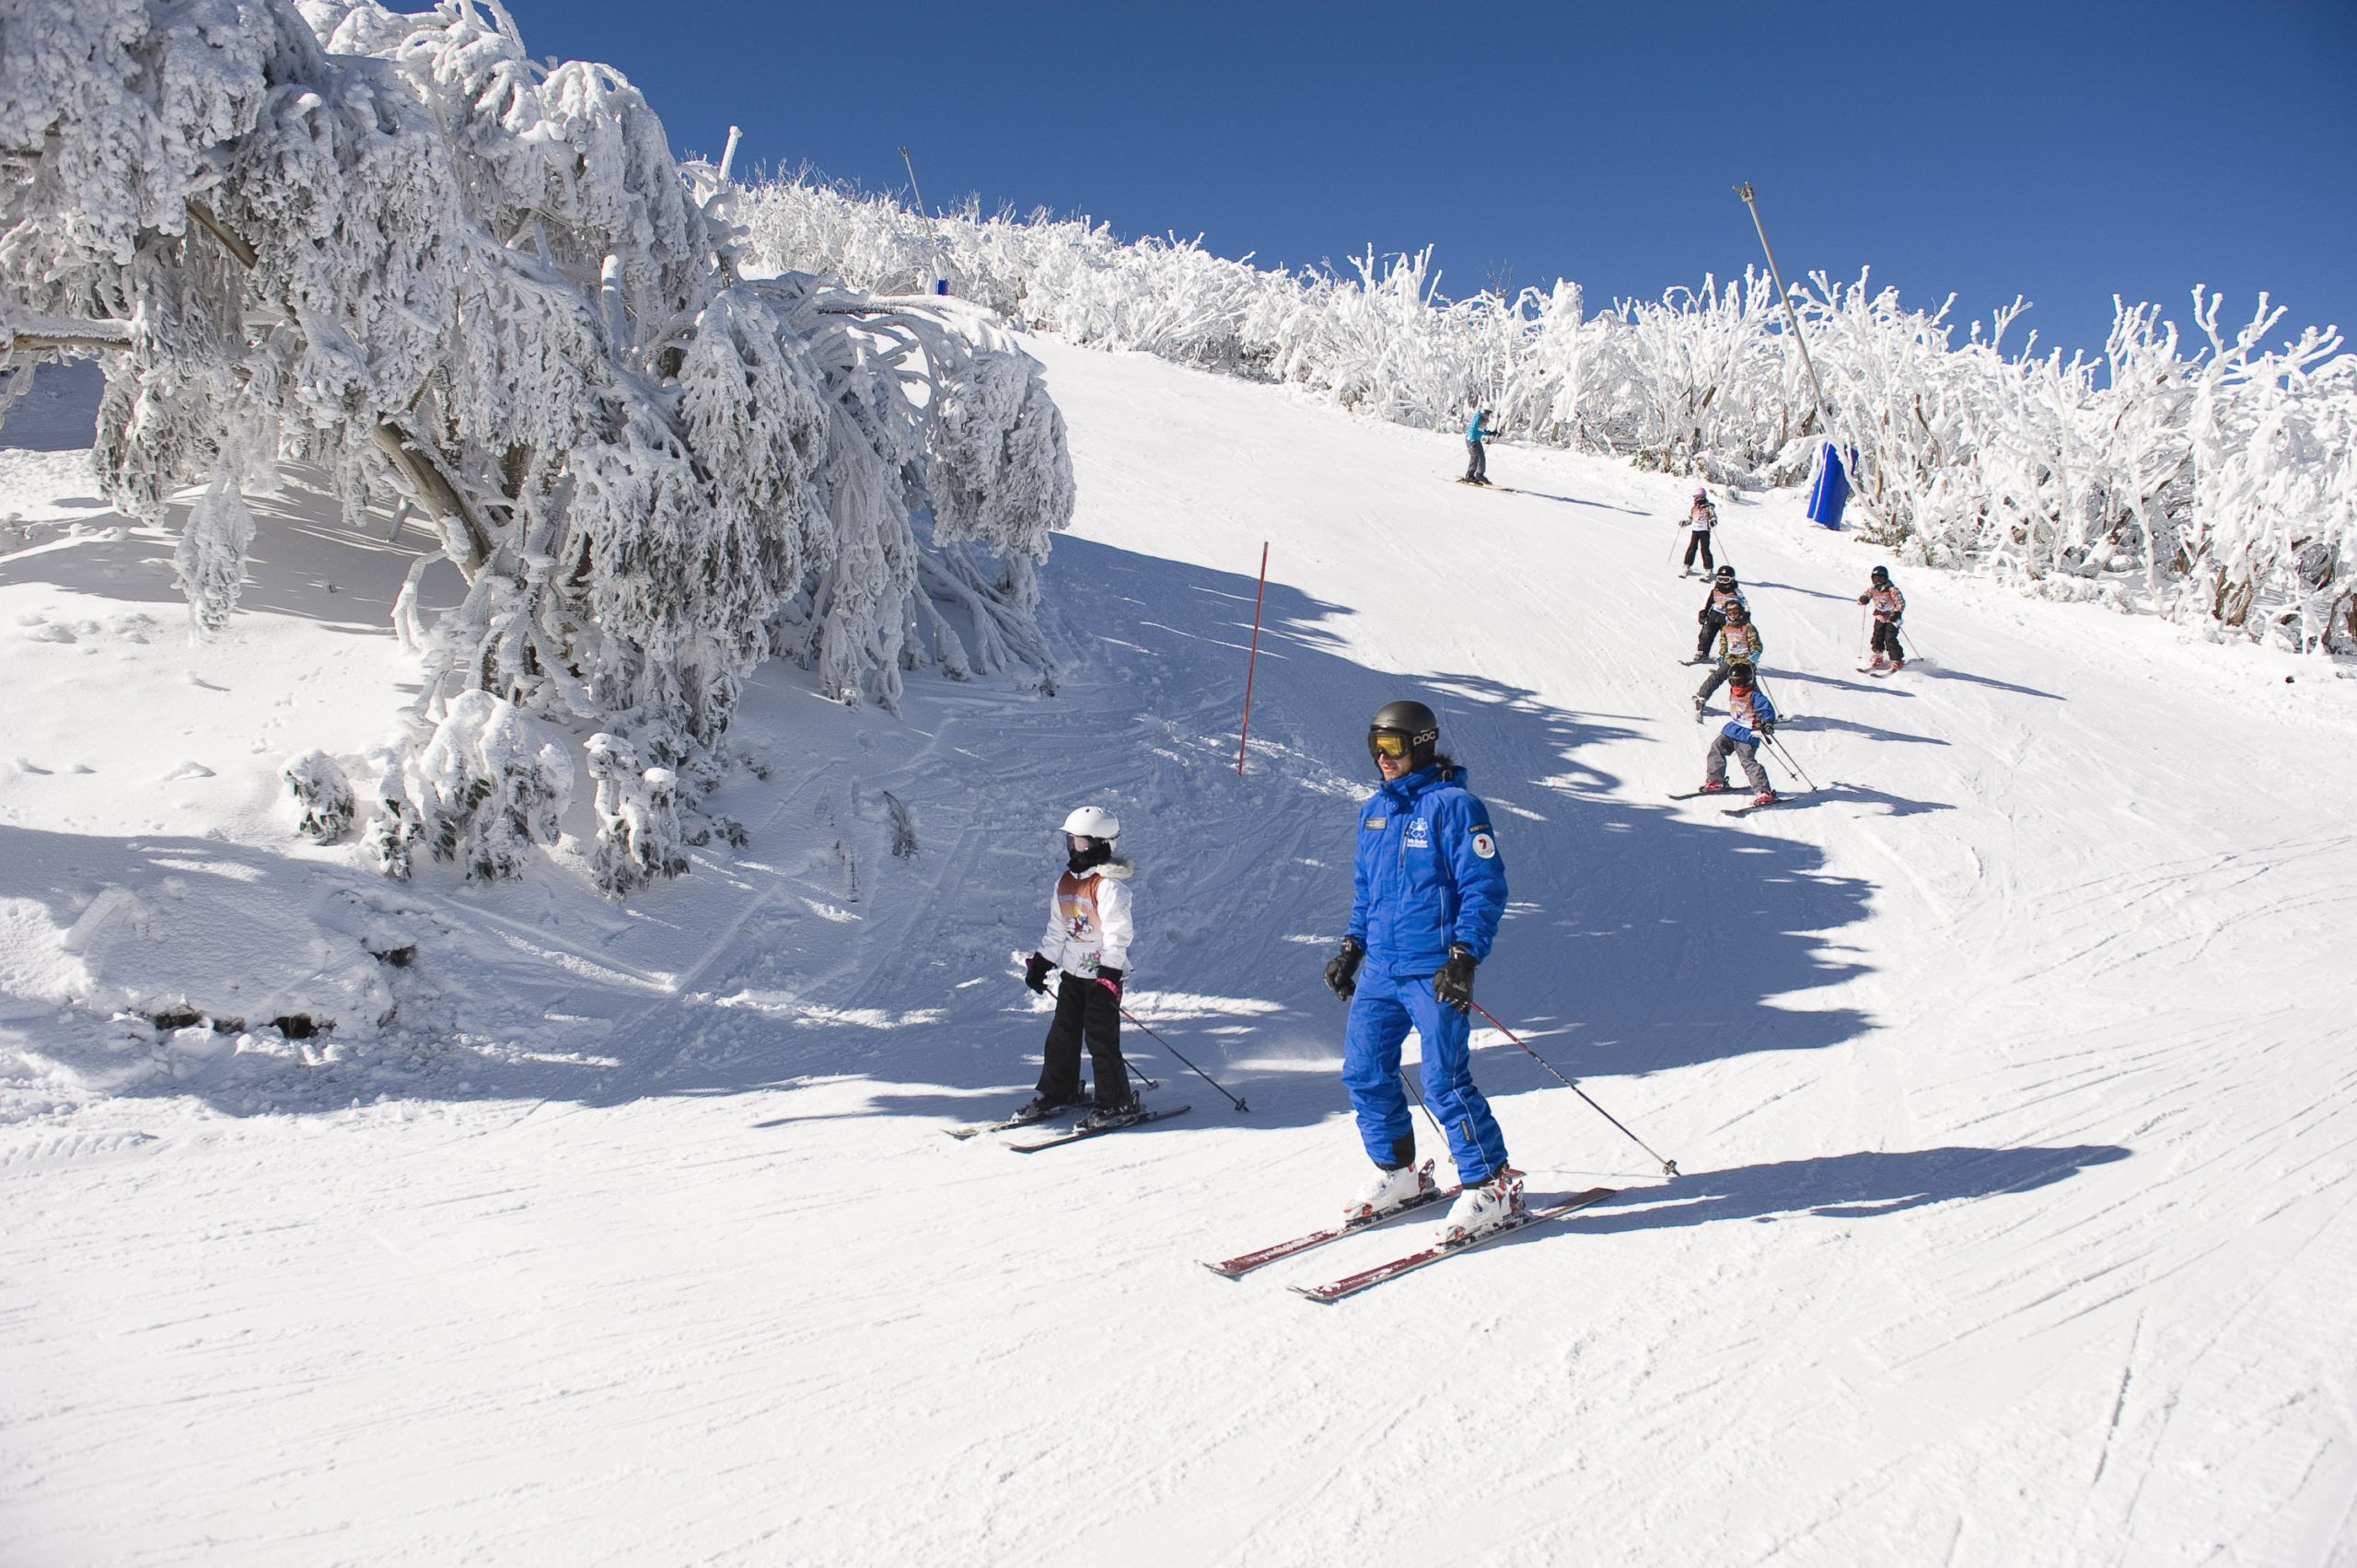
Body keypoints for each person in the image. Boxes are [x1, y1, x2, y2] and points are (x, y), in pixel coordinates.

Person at [1320, 700, 1520, 1244]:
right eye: (1374, 747)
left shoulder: (1456, 806)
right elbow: (1368, 890)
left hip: (1434, 970)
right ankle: (1399, 1174)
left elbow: (1484, 887)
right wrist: (1352, 947)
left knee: (1443, 1081)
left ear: (1422, 744)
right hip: (1382, 969)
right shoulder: (1374, 810)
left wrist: (1463, 956)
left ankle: (1489, 1184)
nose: (1382, 759)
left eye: (1392, 747)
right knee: (1363, 1072)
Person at [1011, 806, 1139, 1130]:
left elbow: (1118, 934)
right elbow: (1058, 930)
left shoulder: (1109, 886)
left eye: (1081, 843)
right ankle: (1060, 1090)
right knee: (1062, 1036)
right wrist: (1041, 964)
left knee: (1100, 1039)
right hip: (1072, 974)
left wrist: (1108, 977)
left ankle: (1116, 1103)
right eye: (1070, 842)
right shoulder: (1065, 883)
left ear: (1102, 844)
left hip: (1101, 980)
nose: (1074, 850)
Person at [1699, 661, 1778, 807]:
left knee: (1748, 762)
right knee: (1716, 748)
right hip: (1733, 729)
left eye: (1739, 682)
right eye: (1733, 681)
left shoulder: (1754, 695)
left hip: (1748, 734)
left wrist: (1767, 723)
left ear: (1747, 680)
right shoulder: (1733, 691)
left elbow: (1767, 710)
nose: (1736, 685)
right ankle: (1716, 781)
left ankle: (1763, 792)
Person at [1692, 600, 1764, 721]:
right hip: (1731, 659)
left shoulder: (1747, 627)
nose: (1733, 615)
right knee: (1717, 676)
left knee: (1750, 686)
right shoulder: (1726, 628)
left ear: (1740, 612)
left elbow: (1755, 643)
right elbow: (1724, 644)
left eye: (1735, 612)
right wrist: (1722, 655)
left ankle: (1762, 711)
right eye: (1730, 612)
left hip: (1745, 661)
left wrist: (1756, 652)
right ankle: (1702, 697)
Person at [1691, 564, 1748, 662]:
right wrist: (1703, 613)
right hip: (1714, 614)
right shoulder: (1714, 590)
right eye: (1720, 579)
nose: (1722, 582)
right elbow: (1707, 602)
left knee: (1728, 637)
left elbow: (1745, 605)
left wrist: (1745, 616)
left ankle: (1727, 657)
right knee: (1706, 633)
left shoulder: (1736, 592)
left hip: (1729, 617)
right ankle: (1702, 652)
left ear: (1732, 580)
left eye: (1725, 580)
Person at [1859, 565, 1906, 671]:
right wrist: (1863, 599)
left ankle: (1897, 659)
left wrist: (1897, 613)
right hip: (1880, 616)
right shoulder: (1872, 589)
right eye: (1876, 578)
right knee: (1877, 636)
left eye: (1881, 578)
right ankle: (1878, 654)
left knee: (1890, 638)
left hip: (1892, 618)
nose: (1878, 581)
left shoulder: (1892, 590)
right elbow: (1863, 598)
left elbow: (1900, 603)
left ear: (1886, 578)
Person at [1680, 486, 1718, 575]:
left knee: (1704, 549)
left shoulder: (1708, 508)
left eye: (1701, 497)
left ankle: (1708, 568)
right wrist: (1684, 523)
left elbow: (1714, 518)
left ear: (1704, 497)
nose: (1699, 499)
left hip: (1705, 531)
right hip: (1695, 531)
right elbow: (1690, 519)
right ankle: (1687, 565)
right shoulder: (1694, 509)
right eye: (1697, 497)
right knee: (1692, 548)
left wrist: (1712, 522)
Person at [1463, 408, 1503, 485]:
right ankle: (1469, 475)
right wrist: (1473, 440)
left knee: (1482, 457)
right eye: (1487, 412)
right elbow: (1473, 430)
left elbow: (1481, 430)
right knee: (1475, 456)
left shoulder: (1484, 418)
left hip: (1476, 440)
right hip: (1471, 439)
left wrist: (1491, 433)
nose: (1488, 415)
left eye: (1489, 413)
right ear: (1483, 411)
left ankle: (1479, 475)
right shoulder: (1478, 418)